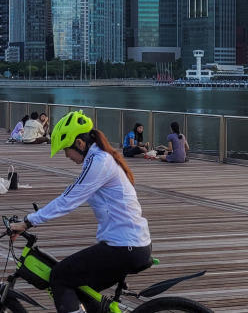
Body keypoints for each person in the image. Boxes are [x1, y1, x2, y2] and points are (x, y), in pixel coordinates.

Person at [9, 111, 151, 313]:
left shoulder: (99, 162)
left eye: (66, 150)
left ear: (79, 144)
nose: (67, 156)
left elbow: (68, 200)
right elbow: (69, 195)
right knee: (80, 289)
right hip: (127, 244)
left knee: (59, 277)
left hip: (124, 246)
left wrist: (28, 221)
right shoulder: (100, 158)